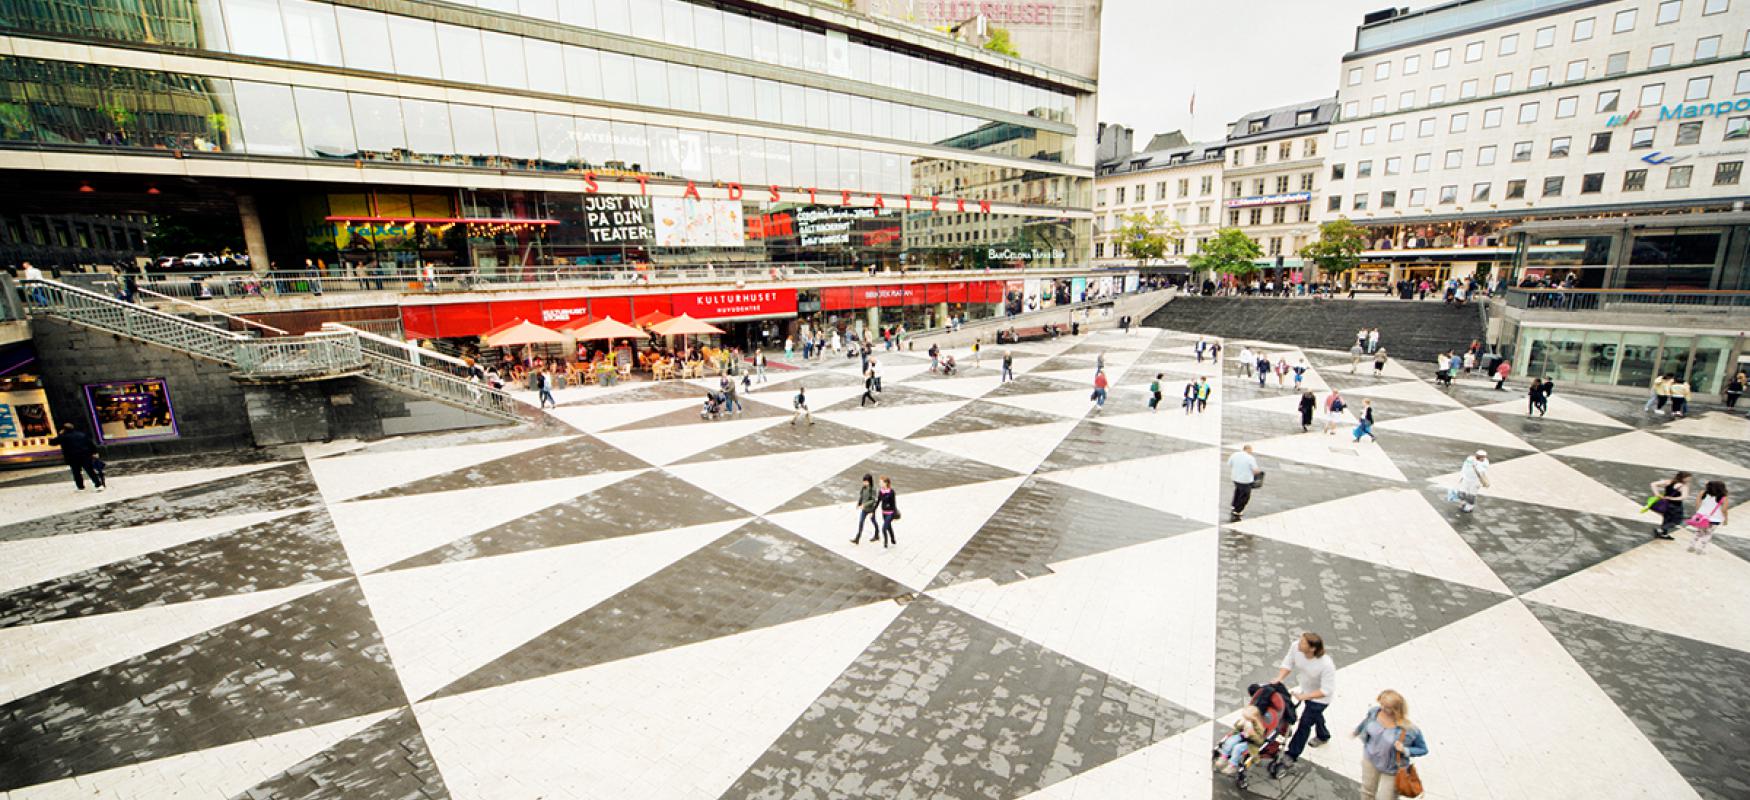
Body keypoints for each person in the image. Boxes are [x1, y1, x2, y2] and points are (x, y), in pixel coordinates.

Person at [1274, 632, 1337, 768]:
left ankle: (1292, 754)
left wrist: (1304, 697)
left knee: (1305, 723)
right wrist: (1279, 678)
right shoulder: (1296, 647)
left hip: (1320, 700)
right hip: (1306, 689)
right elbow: (1288, 662)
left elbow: (1326, 691)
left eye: (1303, 643)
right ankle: (1323, 735)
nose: (1298, 644)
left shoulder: (1326, 665)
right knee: (1315, 717)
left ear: (1312, 648)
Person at [1353, 690, 1429, 800]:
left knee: (1385, 797)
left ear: (1396, 710)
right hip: (1370, 760)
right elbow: (1366, 722)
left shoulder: (1409, 729)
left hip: (1392, 769)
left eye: (1386, 707)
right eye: (1381, 704)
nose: (1382, 709)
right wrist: (1357, 731)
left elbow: (1423, 749)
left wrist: (1405, 750)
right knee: (1367, 791)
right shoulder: (1374, 712)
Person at [1213, 704, 1267, 775]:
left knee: (1237, 748)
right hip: (1242, 736)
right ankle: (1224, 757)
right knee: (1230, 741)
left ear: (1254, 719)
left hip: (1251, 743)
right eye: (1244, 717)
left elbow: (1260, 741)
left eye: (1247, 719)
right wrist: (1240, 724)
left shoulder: (1259, 727)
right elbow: (1236, 729)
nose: (1245, 720)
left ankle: (1232, 765)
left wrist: (1252, 734)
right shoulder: (1244, 721)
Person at [49, 422, 105, 491]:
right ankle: (98, 484)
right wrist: (94, 452)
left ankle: (80, 487)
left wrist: (59, 434)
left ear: (64, 430)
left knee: (76, 473)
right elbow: (90, 444)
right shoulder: (81, 434)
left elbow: (52, 442)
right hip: (85, 455)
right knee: (90, 471)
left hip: (73, 457)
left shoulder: (63, 437)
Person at [1686, 481, 1729, 554]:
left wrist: (1698, 512)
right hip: (1715, 518)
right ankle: (1700, 549)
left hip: (1701, 516)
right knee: (1708, 533)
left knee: (1698, 532)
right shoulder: (1723, 497)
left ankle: (1691, 546)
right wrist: (1726, 519)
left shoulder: (1703, 492)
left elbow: (1697, 502)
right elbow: (1724, 510)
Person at [1650, 471, 1692, 540]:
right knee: (1677, 521)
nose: (1689, 480)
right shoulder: (1683, 487)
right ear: (1683, 478)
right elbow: (1683, 497)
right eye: (1688, 478)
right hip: (1676, 506)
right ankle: (1660, 530)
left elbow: (1653, 484)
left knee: (1667, 518)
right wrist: (1672, 498)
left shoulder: (1669, 482)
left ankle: (1664, 534)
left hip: (1665, 504)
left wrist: (1657, 494)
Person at [1229, 444, 1261, 521]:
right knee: (1245, 496)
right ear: (1249, 450)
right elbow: (1255, 470)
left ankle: (1234, 505)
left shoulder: (1235, 454)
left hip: (1235, 477)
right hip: (1245, 480)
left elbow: (1229, 464)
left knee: (1238, 491)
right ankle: (1238, 510)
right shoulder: (1250, 458)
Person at [851, 473, 879, 545]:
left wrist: (864, 505)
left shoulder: (873, 489)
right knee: (861, 522)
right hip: (864, 509)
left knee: (873, 521)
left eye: (866, 481)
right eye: (864, 481)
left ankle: (877, 534)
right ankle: (857, 538)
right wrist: (859, 503)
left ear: (869, 481)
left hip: (870, 509)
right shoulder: (864, 487)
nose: (864, 483)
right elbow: (861, 496)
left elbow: (873, 500)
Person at [877, 476, 899, 548]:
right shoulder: (881, 491)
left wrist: (895, 514)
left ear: (885, 483)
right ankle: (893, 539)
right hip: (884, 513)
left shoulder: (891, 492)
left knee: (884, 528)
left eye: (881, 482)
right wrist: (873, 510)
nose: (880, 484)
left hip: (890, 513)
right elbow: (878, 501)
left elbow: (894, 504)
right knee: (889, 527)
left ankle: (885, 542)